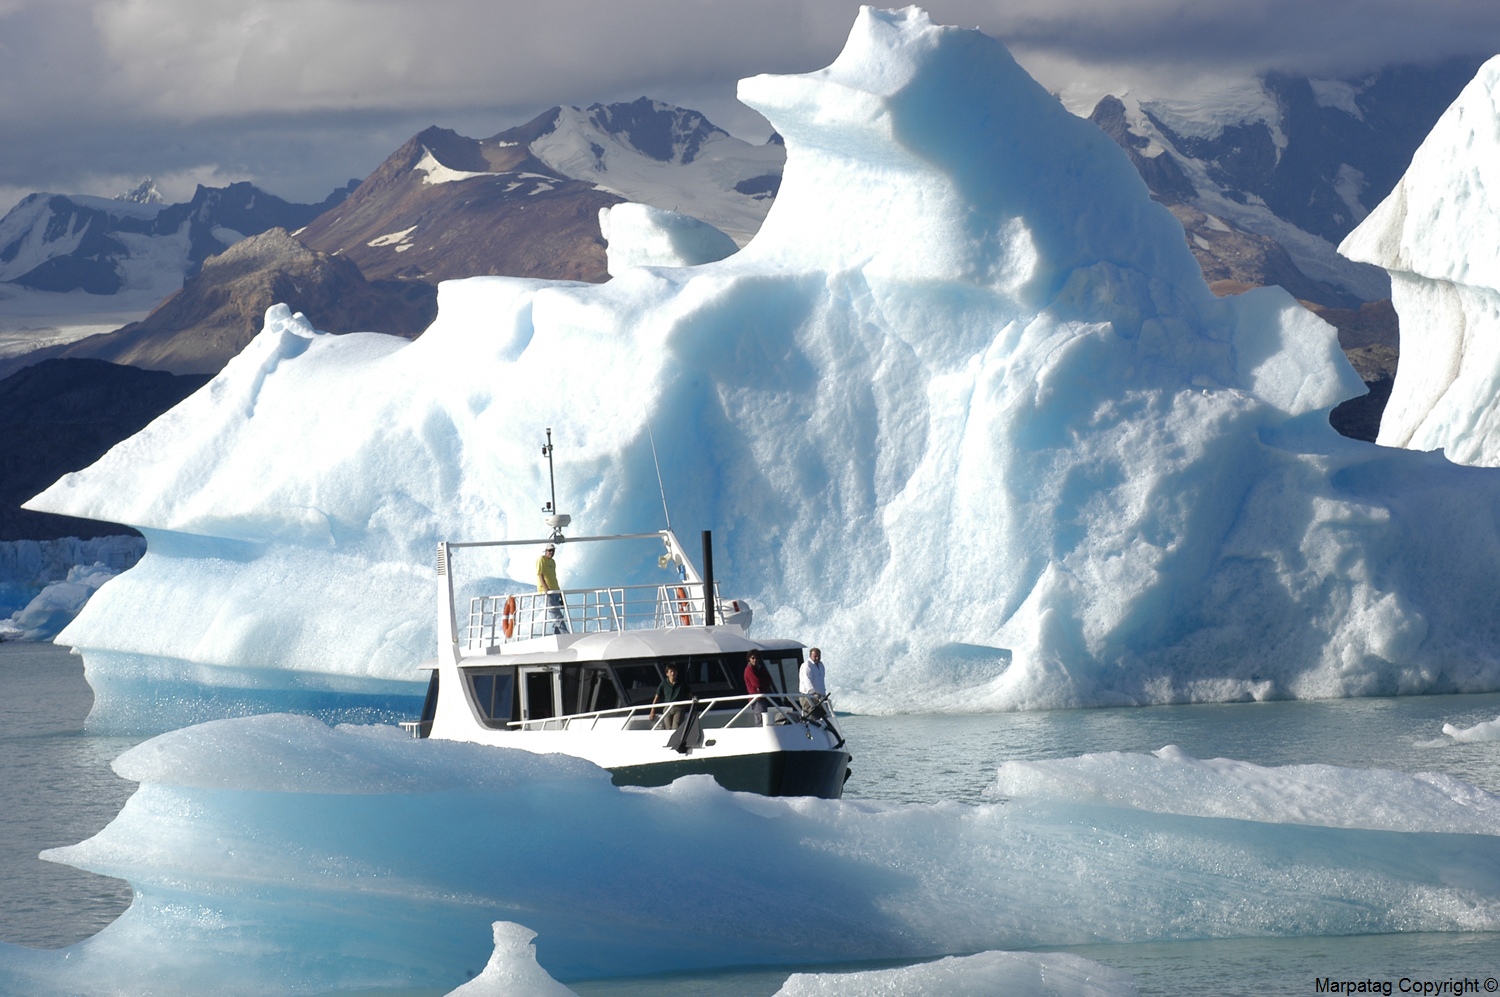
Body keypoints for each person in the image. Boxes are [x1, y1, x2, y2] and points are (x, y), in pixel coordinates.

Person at [535, 543, 568, 634]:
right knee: (555, 612)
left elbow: (553, 577)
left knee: (556, 612)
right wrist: (545, 588)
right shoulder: (541, 560)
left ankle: (557, 633)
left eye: (553, 550)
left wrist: (560, 594)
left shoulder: (553, 562)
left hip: (555, 590)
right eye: (549, 550)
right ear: (545, 551)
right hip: (549, 591)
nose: (551, 552)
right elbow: (540, 574)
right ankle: (564, 633)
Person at [650, 663, 691, 729]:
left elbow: (689, 695)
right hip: (667, 708)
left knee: (675, 729)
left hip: (679, 707)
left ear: (677, 673)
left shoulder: (682, 683)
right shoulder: (664, 683)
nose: (672, 673)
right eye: (671, 671)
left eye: (674, 671)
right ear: (667, 674)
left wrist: (693, 708)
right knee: (668, 729)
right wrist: (652, 711)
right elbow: (656, 697)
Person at [743, 650, 772, 726]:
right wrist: (764, 683)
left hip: (761, 698)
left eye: (757, 658)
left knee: (763, 720)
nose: (755, 660)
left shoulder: (758, 669)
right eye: (753, 658)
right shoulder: (749, 670)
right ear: (749, 658)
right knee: (760, 721)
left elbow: (769, 680)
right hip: (757, 699)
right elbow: (757, 683)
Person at [799, 646, 827, 719]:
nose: (817, 658)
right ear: (810, 656)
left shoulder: (821, 665)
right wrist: (813, 692)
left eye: (818, 656)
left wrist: (823, 694)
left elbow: (821, 681)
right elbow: (807, 680)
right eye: (815, 656)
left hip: (819, 697)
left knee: (825, 714)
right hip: (808, 696)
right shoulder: (807, 665)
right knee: (813, 715)